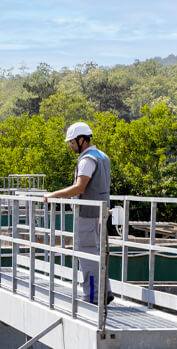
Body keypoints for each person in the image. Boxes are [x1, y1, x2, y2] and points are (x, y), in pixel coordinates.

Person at [43, 122, 114, 305]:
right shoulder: (102, 156)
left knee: (88, 256)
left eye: (72, 142)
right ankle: (104, 291)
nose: (70, 146)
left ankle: (92, 296)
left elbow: (79, 187)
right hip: (101, 214)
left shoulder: (87, 160)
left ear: (82, 139)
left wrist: (54, 195)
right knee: (99, 253)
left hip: (88, 216)